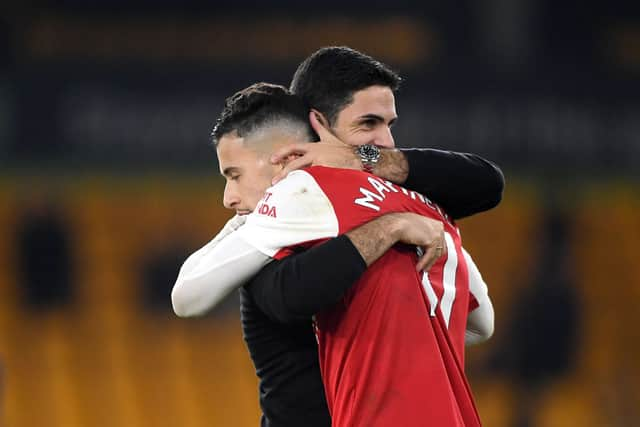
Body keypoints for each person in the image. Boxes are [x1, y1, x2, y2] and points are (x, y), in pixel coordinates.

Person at [173, 81, 496, 426]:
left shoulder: (278, 230)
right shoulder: (394, 212)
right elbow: (479, 324)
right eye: (369, 124)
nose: (228, 197)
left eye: (235, 175)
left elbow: (186, 298)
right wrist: (389, 227)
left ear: (287, 158)